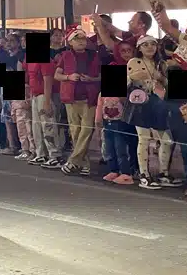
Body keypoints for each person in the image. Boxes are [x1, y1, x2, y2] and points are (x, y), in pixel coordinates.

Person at [127, 35, 180, 189]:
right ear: (139, 48)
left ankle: (164, 172)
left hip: (159, 103)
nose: (150, 47)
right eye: (145, 45)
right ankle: (144, 174)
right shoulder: (134, 62)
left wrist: (160, 78)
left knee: (166, 139)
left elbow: (169, 83)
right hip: (141, 103)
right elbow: (129, 79)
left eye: (152, 44)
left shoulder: (161, 63)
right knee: (143, 138)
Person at [55, 29, 101, 176]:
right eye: (77, 38)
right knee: (75, 131)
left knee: (86, 130)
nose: (81, 41)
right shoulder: (65, 55)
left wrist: (91, 79)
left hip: (89, 98)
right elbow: (57, 75)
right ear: (70, 42)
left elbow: (101, 76)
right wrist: (69, 77)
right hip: (71, 98)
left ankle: (73, 160)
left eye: (83, 38)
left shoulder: (94, 56)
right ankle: (84, 163)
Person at [99, 39, 136, 185]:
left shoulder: (136, 68)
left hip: (127, 111)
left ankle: (127, 171)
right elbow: (103, 94)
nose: (126, 54)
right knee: (110, 143)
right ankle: (113, 169)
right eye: (123, 51)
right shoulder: (113, 67)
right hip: (109, 112)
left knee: (123, 144)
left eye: (129, 50)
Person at [27, 40, 61, 169]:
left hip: (43, 95)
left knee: (48, 124)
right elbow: (31, 79)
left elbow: (48, 80)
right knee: (36, 125)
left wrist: (47, 101)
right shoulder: (32, 61)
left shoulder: (45, 60)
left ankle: (54, 154)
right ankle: (41, 152)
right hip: (36, 95)